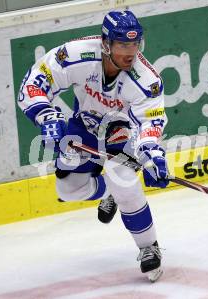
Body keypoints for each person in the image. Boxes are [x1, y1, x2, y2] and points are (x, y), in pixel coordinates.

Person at [17, 10, 168, 282]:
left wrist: (151, 155)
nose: (130, 53)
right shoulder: (76, 55)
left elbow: (150, 123)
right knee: (68, 189)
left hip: (122, 132)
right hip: (84, 127)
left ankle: (149, 247)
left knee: (124, 180)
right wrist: (47, 116)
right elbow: (34, 83)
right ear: (106, 44)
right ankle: (107, 190)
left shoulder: (147, 80)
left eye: (134, 45)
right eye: (123, 45)